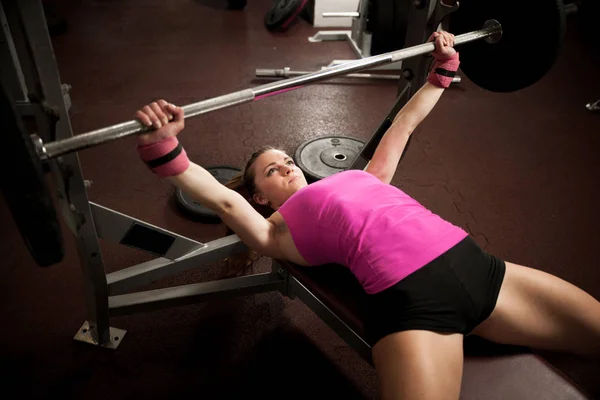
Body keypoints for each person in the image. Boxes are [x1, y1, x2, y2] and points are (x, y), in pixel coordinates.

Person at [133, 31, 600, 399]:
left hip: (481, 269)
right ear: (261, 197)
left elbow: (405, 123)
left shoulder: (367, 178)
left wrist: (443, 69)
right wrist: (165, 147)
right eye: (270, 171)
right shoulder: (278, 231)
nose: (286, 166)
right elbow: (223, 201)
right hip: (417, 306)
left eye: (288, 160)